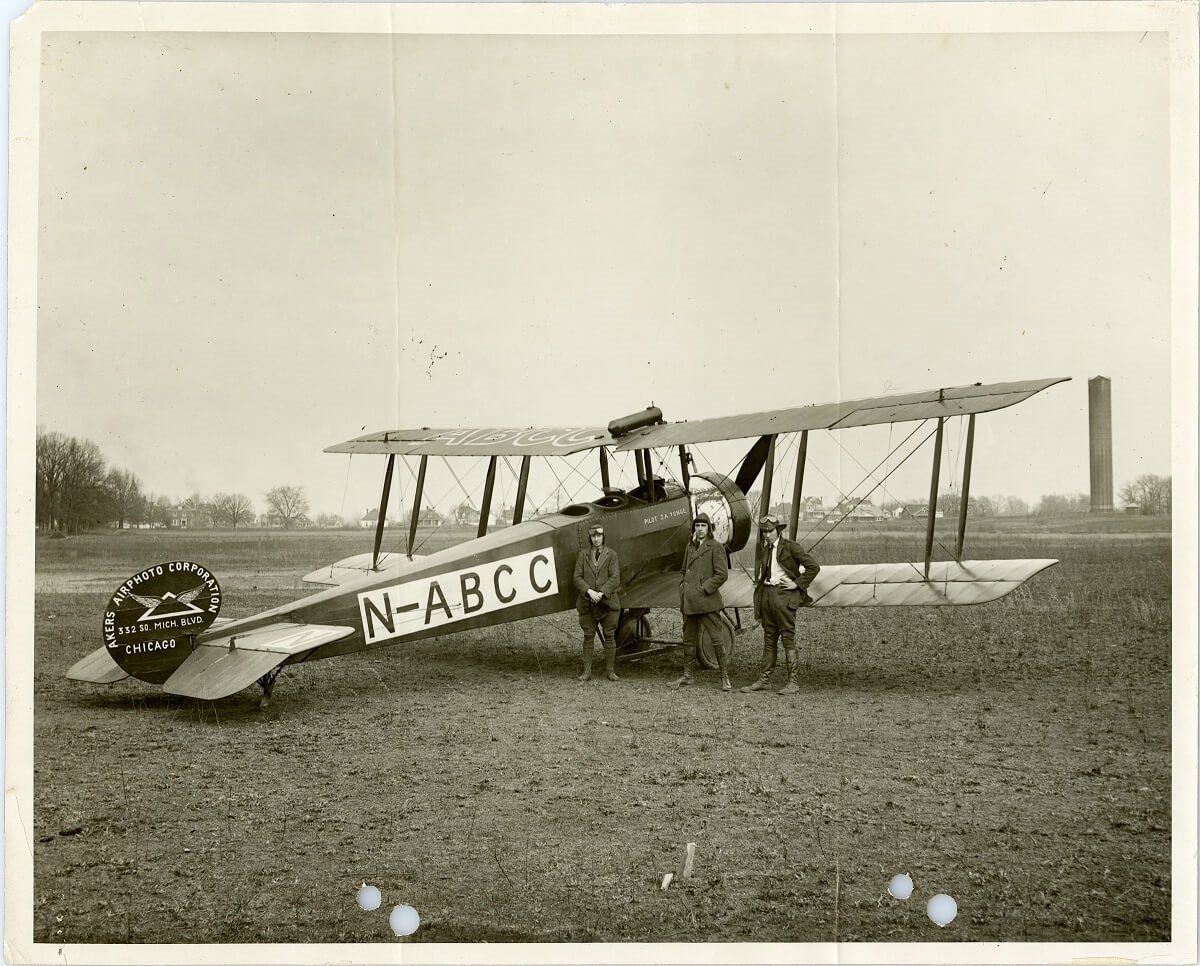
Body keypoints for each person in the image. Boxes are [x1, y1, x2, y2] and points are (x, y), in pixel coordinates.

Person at [740, 514, 820, 695]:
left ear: (778, 530)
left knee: (787, 640)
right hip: (767, 596)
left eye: (770, 531)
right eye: (764, 532)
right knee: (769, 640)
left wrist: (797, 584)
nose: (767, 535)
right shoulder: (765, 549)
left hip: (785, 597)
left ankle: (793, 682)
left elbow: (813, 567)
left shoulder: (791, 547)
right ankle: (764, 680)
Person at [672, 512, 731, 691]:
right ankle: (688, 676)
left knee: (716, 639)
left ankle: (724, 677)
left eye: (703, 526)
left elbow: (722, 574)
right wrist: (684, 588)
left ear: (709, 528)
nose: (699, 529)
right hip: (689, 602)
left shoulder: (716, 547)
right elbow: (684, 570)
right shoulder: (689, 547)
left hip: (707, 602)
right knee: (688, 640)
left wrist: (704, 588)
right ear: (694, 528)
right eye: (697, 526)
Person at [573, 523, 621, 681]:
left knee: (609, 635)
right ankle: (586, 671)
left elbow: (615, 578)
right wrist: (589, 591)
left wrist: (601, 593)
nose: (596, 539)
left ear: (603, 537)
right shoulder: (583, 555)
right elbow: (577, 578)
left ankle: (610, 671)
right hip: (587, 602)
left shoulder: (612, 555)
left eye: (599, 535)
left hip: (607, 602)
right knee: (588, 635)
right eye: (593, 536)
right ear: (590, 538)